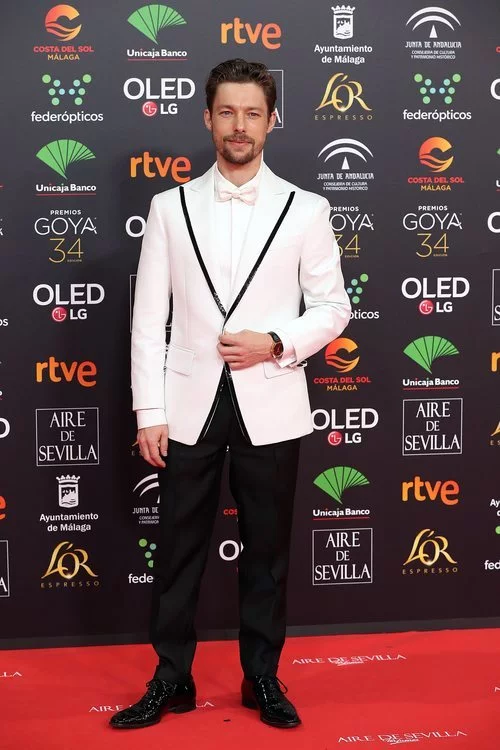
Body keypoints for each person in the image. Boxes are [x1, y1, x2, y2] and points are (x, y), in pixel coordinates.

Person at [111, 58, 350, 731]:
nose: (239, 125)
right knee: (177, 550)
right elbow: (147, 319)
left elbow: (333, 308)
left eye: (252, 113)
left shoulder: (306, 209)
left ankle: (262, 679)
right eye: (226, 112)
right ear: (208, 119)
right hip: (187, 403)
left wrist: (273, 341)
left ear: (272, 121)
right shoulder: (170, 207)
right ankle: (171, 679)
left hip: (270, 401)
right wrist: (150, 411)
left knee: (267, 554)